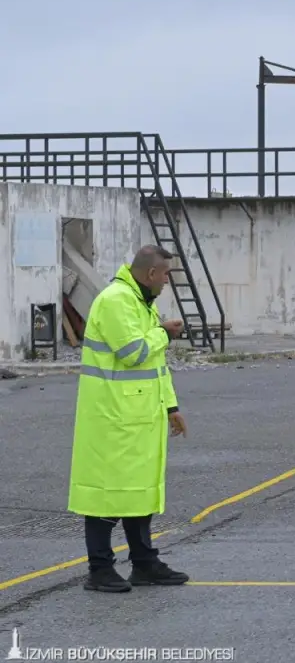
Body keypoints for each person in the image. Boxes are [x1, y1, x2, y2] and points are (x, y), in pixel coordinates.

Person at [68, 245, 191, 593]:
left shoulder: (140, 303)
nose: (167, 281)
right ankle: (100, 569)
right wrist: (164, 332)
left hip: (138, 416)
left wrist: (171, 407)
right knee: (106, 494)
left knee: (139, 493)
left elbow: (156, 366)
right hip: (112, 418)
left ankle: (144, 563)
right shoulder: (116, 300)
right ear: (151, 274)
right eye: (165, 274)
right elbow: (134, 353)